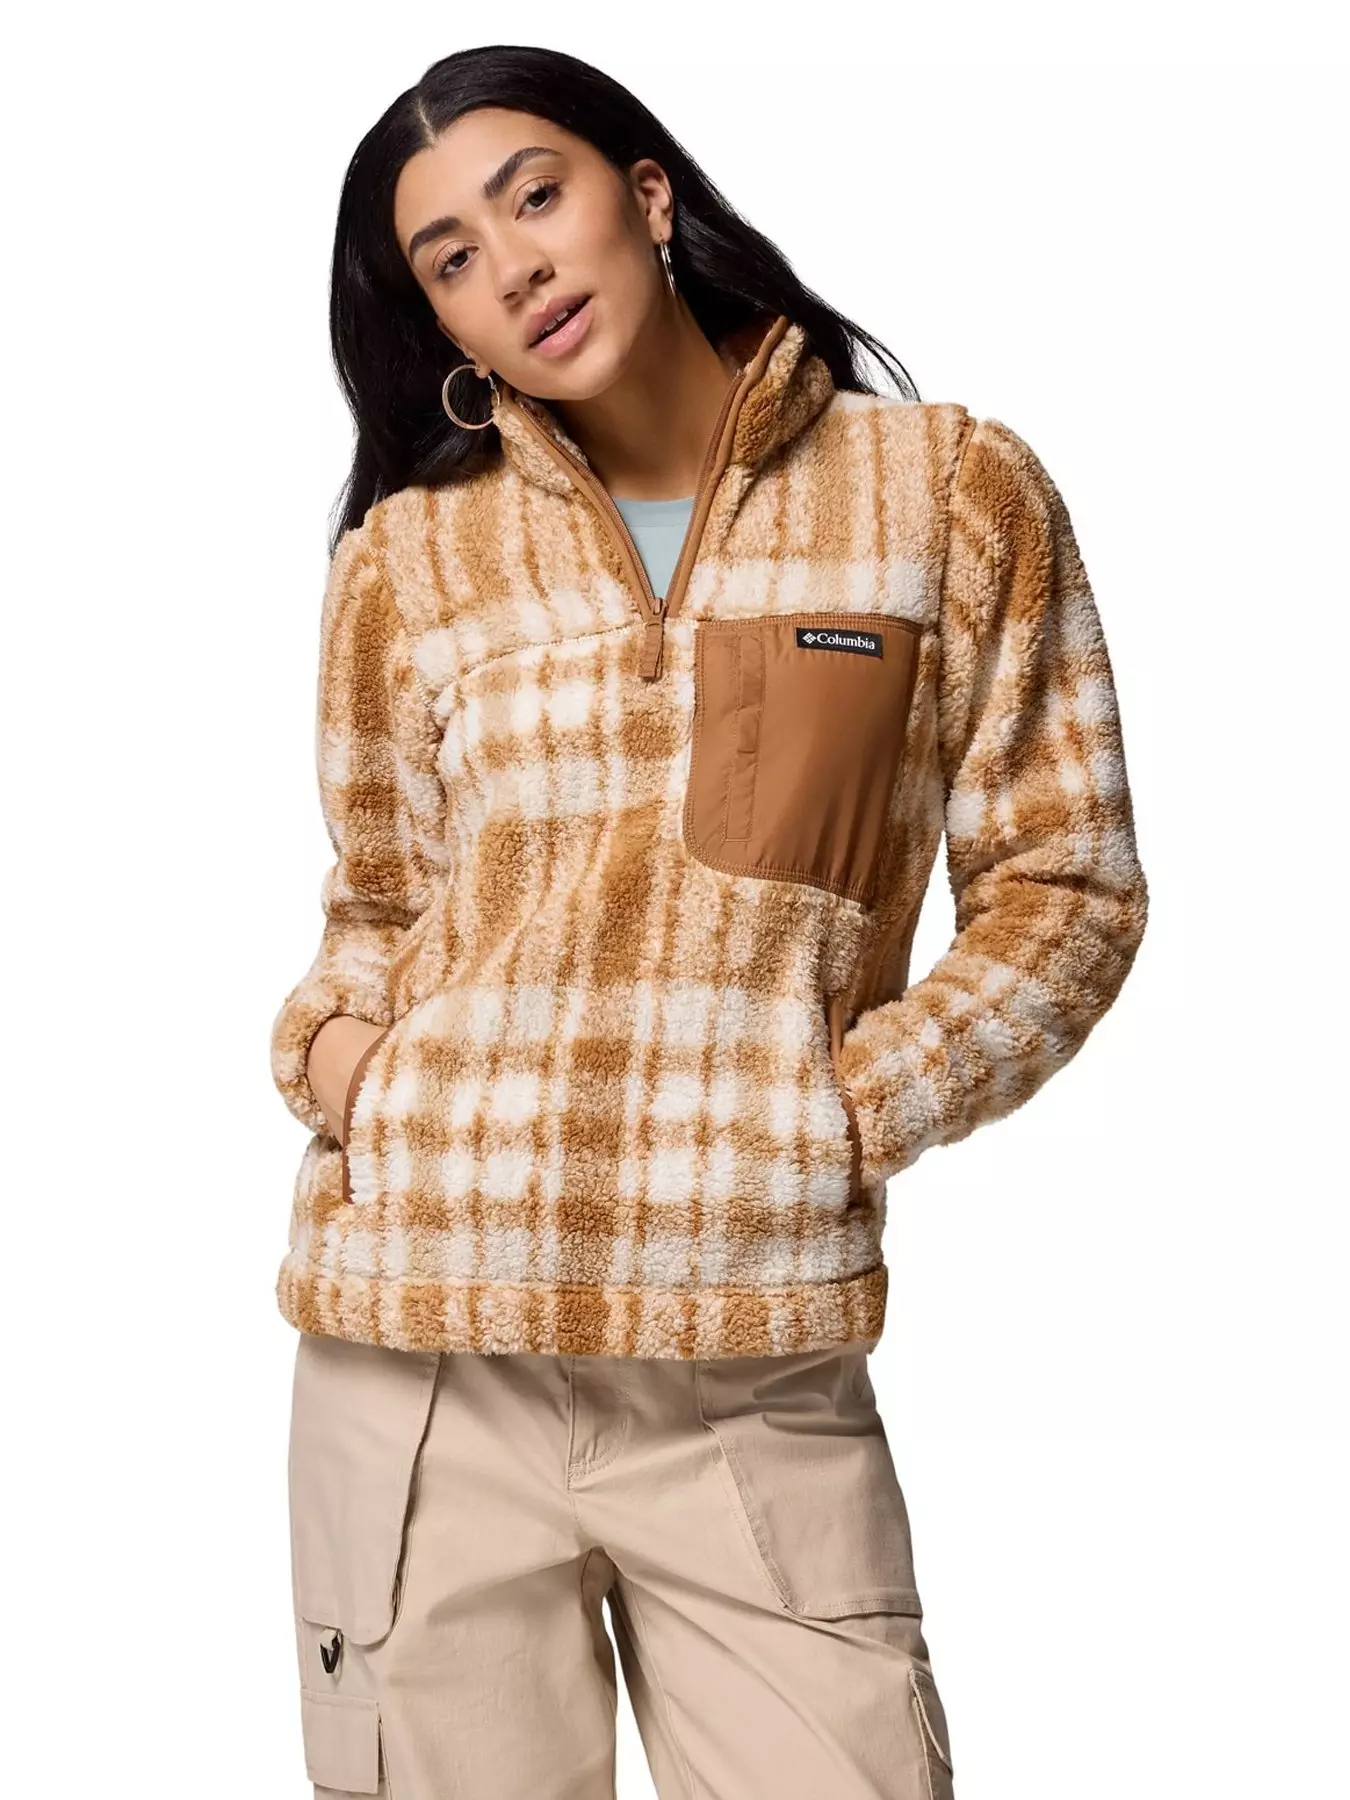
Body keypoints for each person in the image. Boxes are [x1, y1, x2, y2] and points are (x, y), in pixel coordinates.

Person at [269, 43, 1149, 1800]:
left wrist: (838, 1115)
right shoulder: (408, 562)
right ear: (441, 324)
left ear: (646, 195)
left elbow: (1065, 889)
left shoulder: (943, 494)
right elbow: (380, 900)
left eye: (535, 196)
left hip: (747, 1352)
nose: (514, 266)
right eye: (451, 258)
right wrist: (342, 1057)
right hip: (422, 1353)